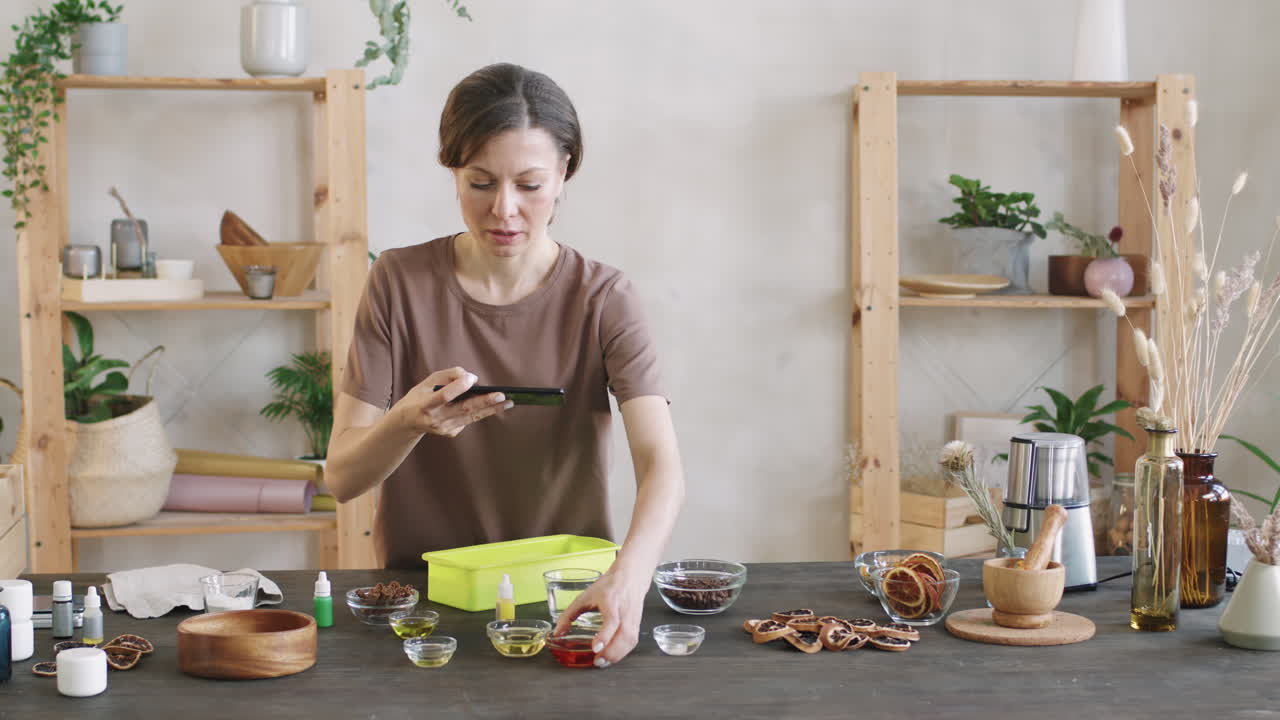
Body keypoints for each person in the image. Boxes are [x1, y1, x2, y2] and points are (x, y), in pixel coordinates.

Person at [325, 63, 685, 668]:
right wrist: (407, 422)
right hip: (424, 607)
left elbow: (662, 464)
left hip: (565, 602)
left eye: (530, 184)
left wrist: (630, 577)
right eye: (481, 183)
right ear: (453, 172)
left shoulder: (603, 297)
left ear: (566, 172)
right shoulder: (398, 281)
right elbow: (341, 477)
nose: (505, 210)